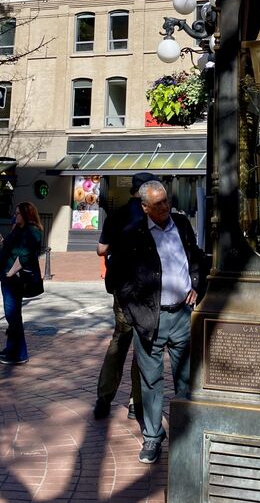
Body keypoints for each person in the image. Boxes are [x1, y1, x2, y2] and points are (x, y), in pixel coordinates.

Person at [113, 179, 205, 465]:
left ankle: (185, 430)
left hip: (181, 314)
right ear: (145, 207)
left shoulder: (182, 224)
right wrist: (133, 312)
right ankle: (153, 436)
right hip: (149, 319)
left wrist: (196, 286)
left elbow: (196, 259)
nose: (166, 207)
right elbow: (116, 279)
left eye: (166, 200)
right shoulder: (132, 234)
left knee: (185, 378)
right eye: (158, 204)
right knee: (151, 381)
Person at [93, 171, 158, 421]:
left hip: (122, 288)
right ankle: (136, 401)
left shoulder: (117, 214)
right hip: (148, 289)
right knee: (144, 343)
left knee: (119, 340)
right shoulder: (154, 215)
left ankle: (104, 397)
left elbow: (101, 249)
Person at [0, 201, 43, 365]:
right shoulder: (18, 230)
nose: (14, 216)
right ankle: (12, 349)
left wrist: (11, 272)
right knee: (12, 315)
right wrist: (2, 240)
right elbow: (11, 249)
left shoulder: (32, 231)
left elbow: (24, 255)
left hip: (15, 279)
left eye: (18, 213)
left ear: (26, 214)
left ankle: (19, 353)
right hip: (7, 277)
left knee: (12, 314)